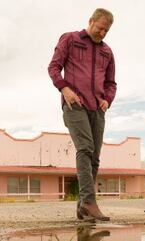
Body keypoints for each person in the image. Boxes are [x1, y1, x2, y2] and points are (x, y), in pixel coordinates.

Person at [48, 8, 116, 221]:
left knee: (94, 157)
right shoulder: (70, 39)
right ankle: (89, 201)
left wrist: (107, 99)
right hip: (75, 105)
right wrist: (64, 89)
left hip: (97, 108)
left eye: (106, 30)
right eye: (99, 28)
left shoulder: (107, 52)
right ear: (91, 21)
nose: (102, 33)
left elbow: (111, 83)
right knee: (85, 148)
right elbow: (53, 68)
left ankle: (82, 208)